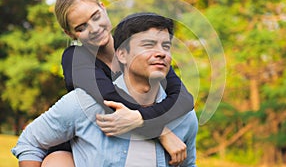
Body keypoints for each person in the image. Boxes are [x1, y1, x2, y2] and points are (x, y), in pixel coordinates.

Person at [12, 12, 198, 167]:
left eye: (166, 46)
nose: (161, 53)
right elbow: (30, 142)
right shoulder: (84, 104)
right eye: (148, 45)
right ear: (122, 55)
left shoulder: (185, 118)